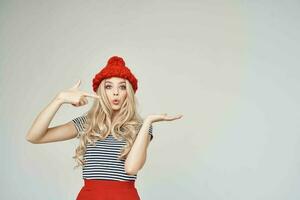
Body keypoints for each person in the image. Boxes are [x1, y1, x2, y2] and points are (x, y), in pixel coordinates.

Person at [25, 55, 183, 200]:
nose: (115, 93)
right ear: (101, 91)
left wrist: (148, 122)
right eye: (108, 86)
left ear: (128, 92)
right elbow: (34, 137)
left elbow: (131, 168)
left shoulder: (140, 127)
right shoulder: (87, 123)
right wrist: (59, 99)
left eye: (122, 87)